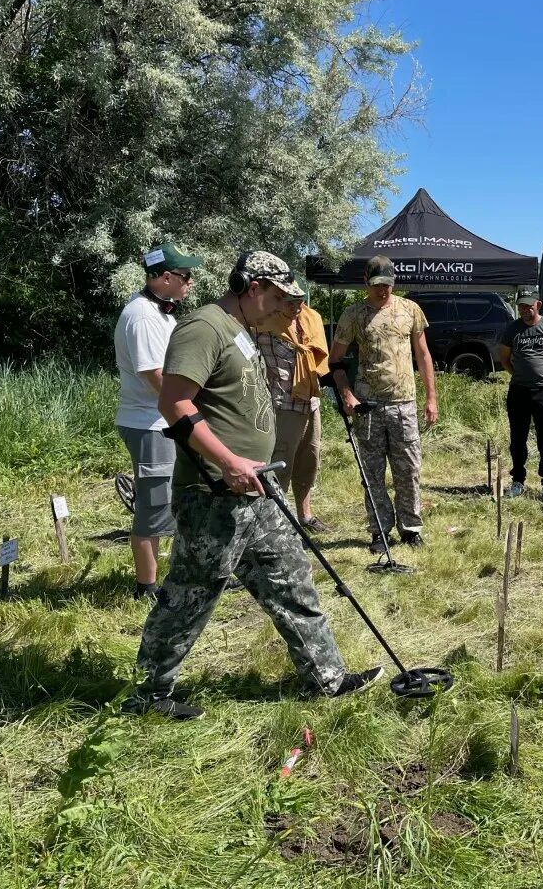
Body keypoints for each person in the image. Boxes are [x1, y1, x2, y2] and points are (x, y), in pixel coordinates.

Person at [125, 250, 383, 720]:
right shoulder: (204, 327)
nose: (284, 307)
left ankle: (325, 678)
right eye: (279, 296)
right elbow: (174, 403)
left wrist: (252, 468)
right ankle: (149, 693)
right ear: (253, 287)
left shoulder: (243, 330)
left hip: (257, 489)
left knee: (292, 581)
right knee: (191, 593)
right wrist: (228, 462)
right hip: (214, 494)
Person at [330, 256, 438, 553]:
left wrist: (431, 397)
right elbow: (335, 359)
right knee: (372, 472)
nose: (383, 290)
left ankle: (411, 528)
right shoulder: (353, 314)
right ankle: (379, 529)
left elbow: (424, 355)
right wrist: (347, 395)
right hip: (368, 405)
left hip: (404, 404)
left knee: (408, 469)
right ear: (366, 282)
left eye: (388, 284)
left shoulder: (410, 310)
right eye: (377, 284)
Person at [114, 242, 203, 601]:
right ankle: (147, 589)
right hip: (151, 422)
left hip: (161, 419)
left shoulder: (162, 312)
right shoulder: (144, 316)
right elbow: (154, 375)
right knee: (152, 505)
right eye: (185, 276)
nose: (190, 282)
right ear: (164, 278)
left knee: (170, 499)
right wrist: (187, 409)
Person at [255, 289, 332, 532]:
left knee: (309, 460)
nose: (296, 306)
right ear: (278, 299)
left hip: (310, 401)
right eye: (290, 301)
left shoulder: (312, 319)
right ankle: (277, 521)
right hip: (282, 404)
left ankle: (305, 516)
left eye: (300, 300)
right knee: (281, 463)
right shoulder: (263, 323)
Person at [499, 287, 543, 501]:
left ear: (538, 304)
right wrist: (518, 374)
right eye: (521, 306)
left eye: (529, 305)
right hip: (519, 390)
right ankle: (517, 480)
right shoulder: (512, 329)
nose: (525, 310)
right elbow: (504, 358)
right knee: (517, 437)